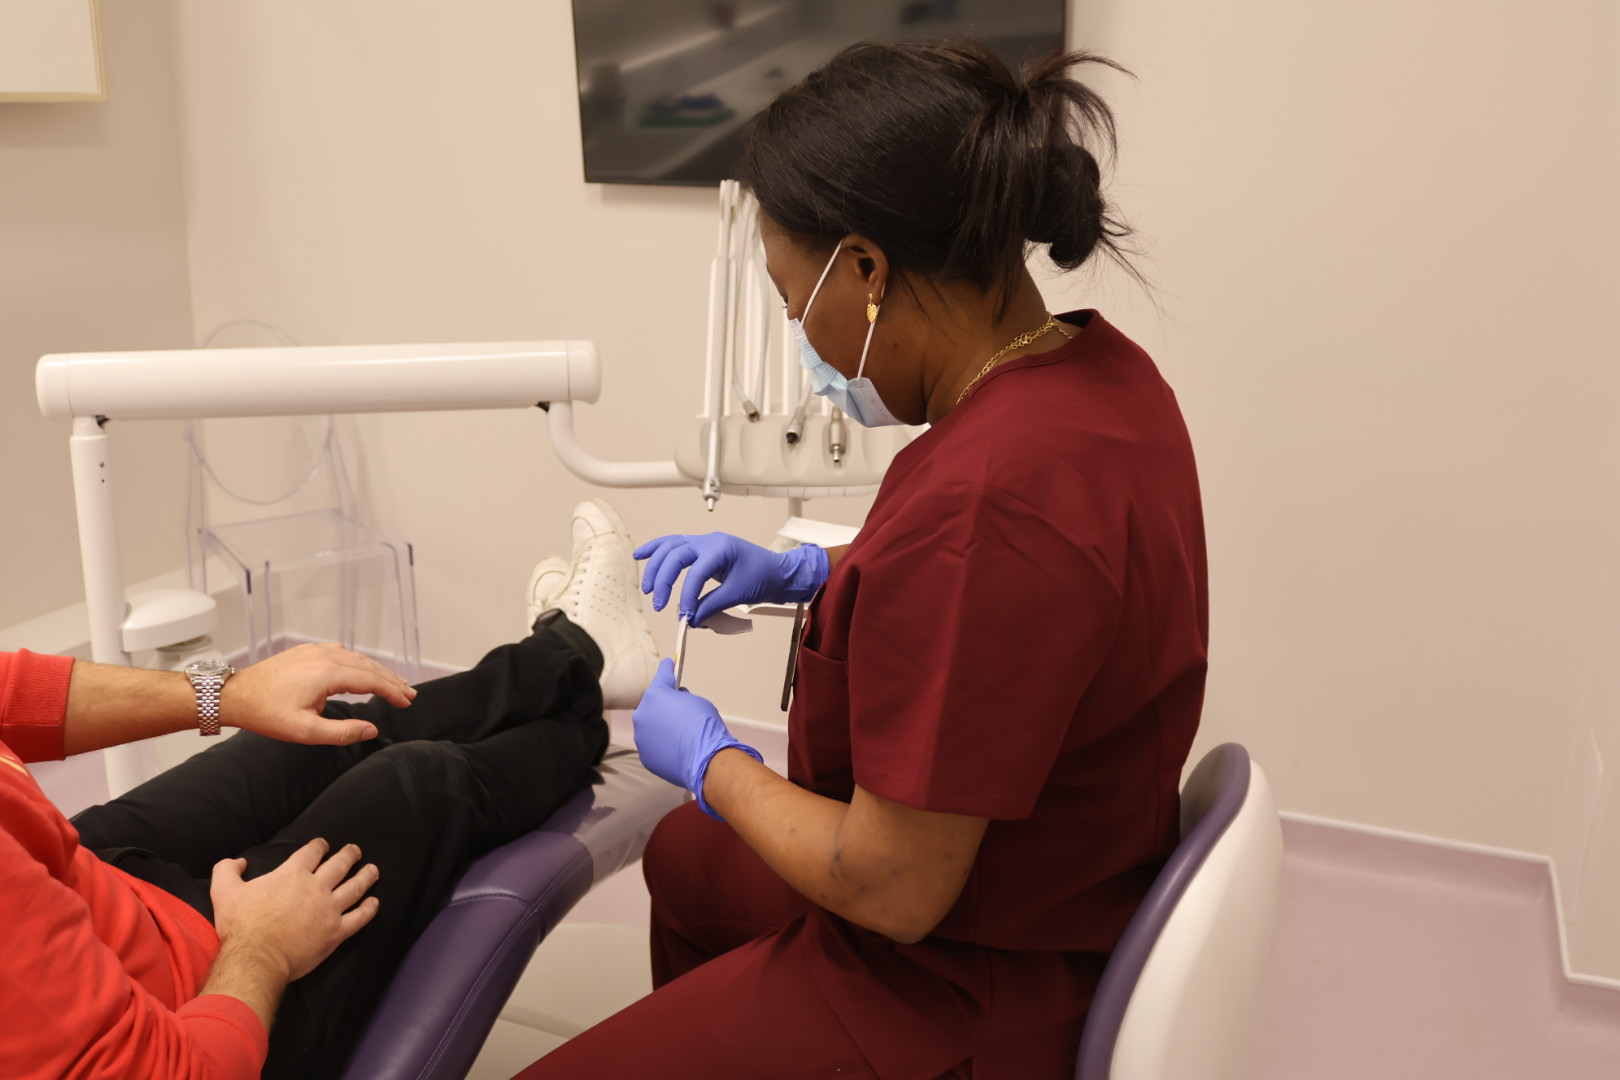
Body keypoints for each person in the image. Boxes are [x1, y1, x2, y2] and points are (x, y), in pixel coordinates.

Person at [515, 41, 1208, 1080]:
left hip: (952, 984)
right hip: (1052, 882)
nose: (806, 341)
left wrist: (712, 761)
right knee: (687, 861)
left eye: (798, 308)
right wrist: (814, 576)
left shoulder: (985, 498)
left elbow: (893, 887)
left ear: (870, 268)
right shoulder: (1099, 376)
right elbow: (1020, 619)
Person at [0, 499, 659, 1080]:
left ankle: (575, 652)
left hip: (82, 877)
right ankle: (585, 693)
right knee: (421, 781)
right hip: (191, 1008)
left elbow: (13, 695)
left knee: (324, 731)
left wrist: (229, 695)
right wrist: (261, 948)